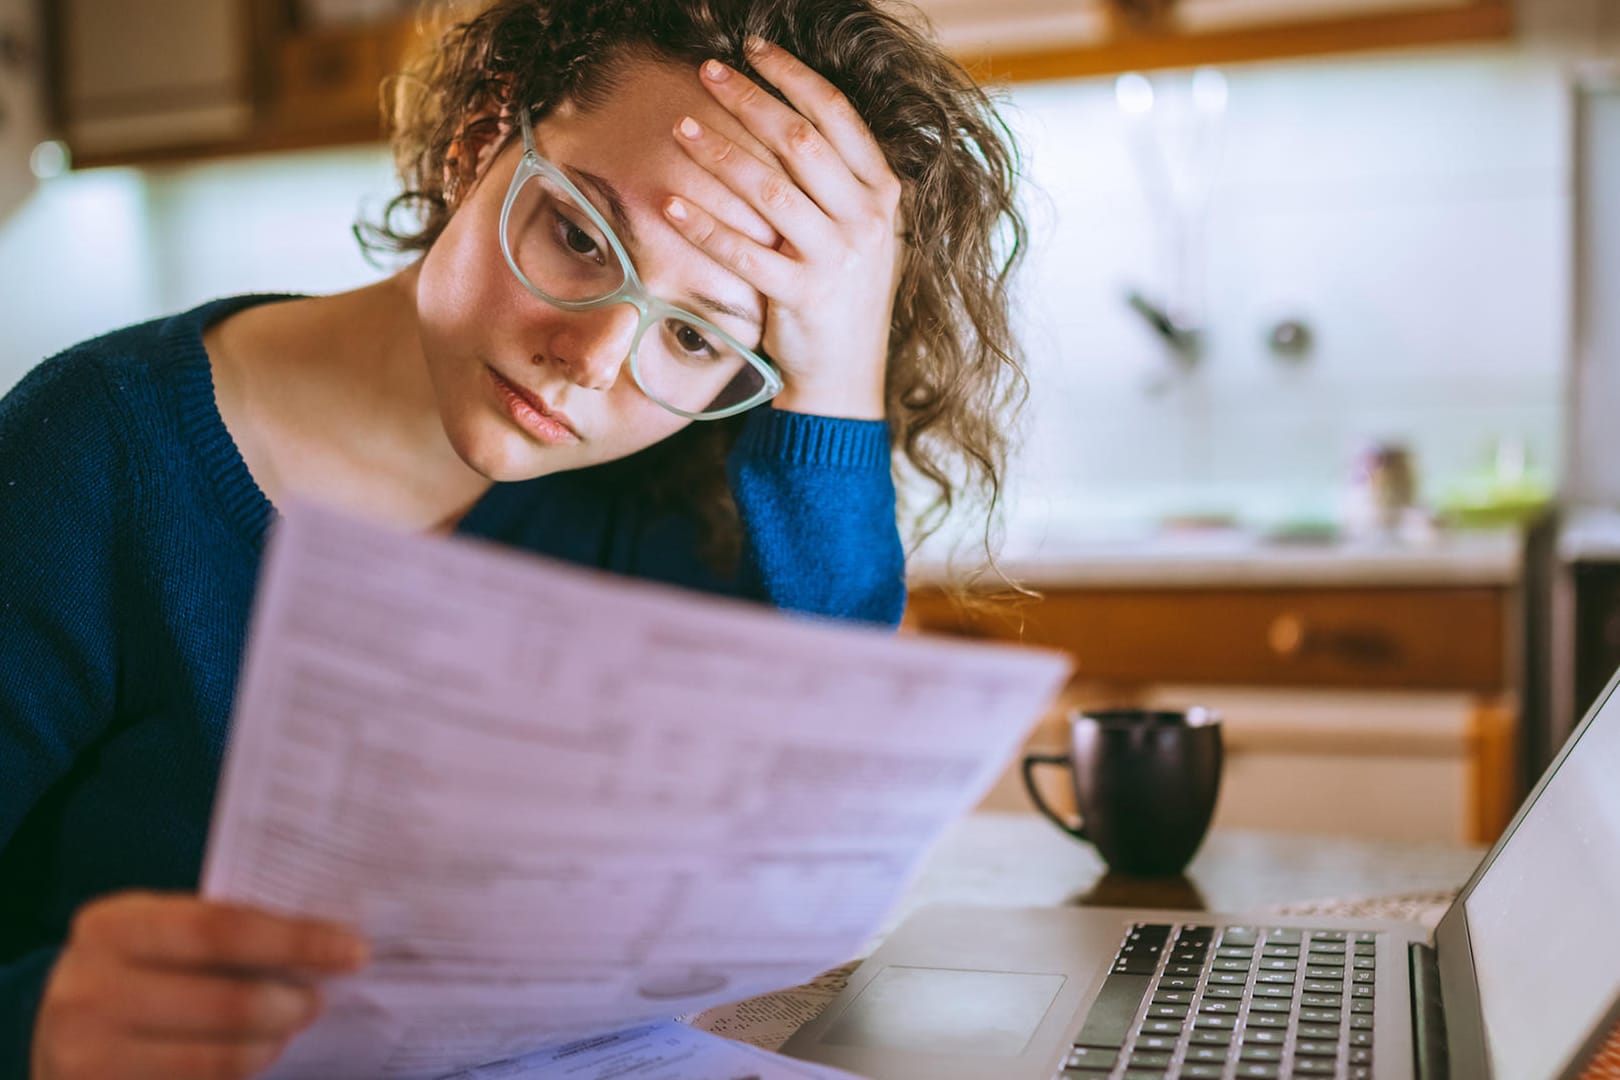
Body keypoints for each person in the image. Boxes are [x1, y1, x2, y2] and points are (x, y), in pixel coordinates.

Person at [0, 0, 1027, 1076]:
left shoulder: (654, 508)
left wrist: (835, 384)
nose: (591, 359)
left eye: (692, 335)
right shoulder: (93, 452)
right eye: (580, 236)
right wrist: (35, 1024)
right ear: (480, 138)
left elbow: (813, 814)